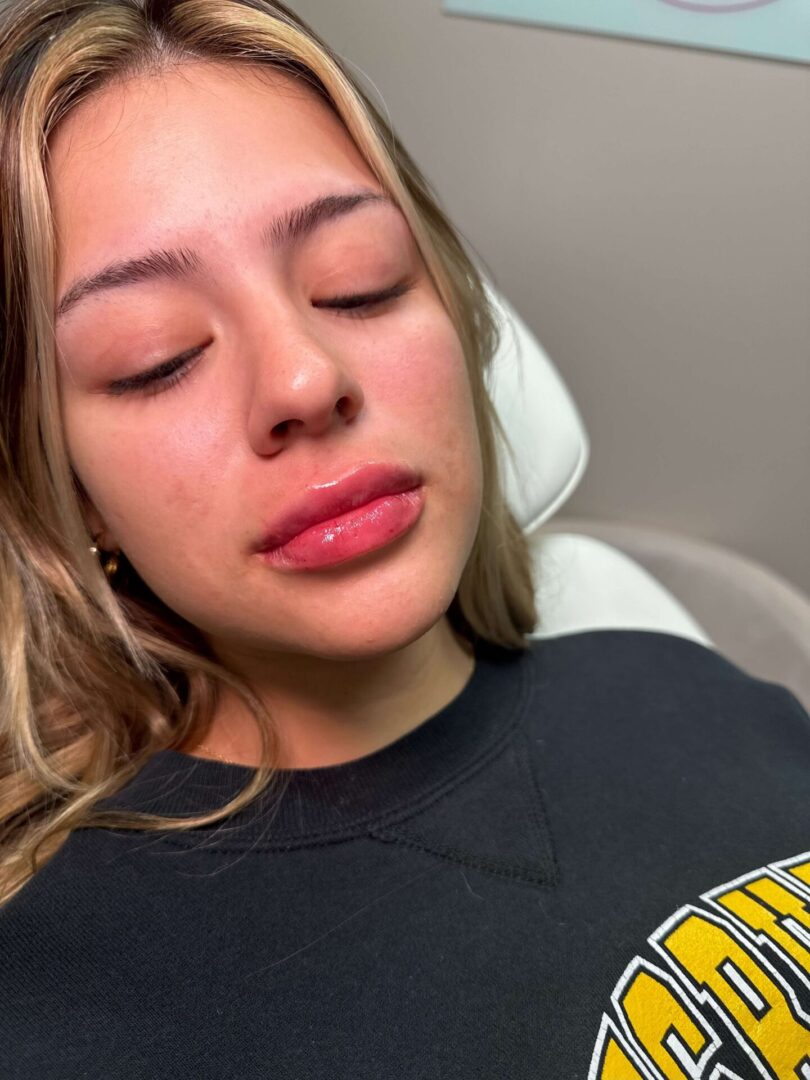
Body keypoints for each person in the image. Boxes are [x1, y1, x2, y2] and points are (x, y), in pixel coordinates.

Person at [0, 0, 808, 1075]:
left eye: (360, 280)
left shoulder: (686, 682)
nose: (302, 380)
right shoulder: (52, 997)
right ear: (73, 490)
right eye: (155, 356)